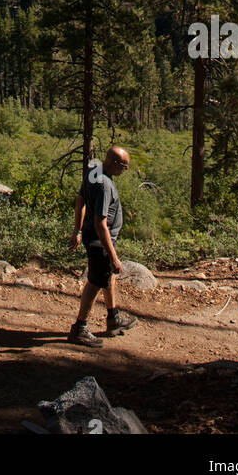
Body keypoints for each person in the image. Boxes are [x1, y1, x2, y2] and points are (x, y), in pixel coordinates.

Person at [68, 144, 137, 346]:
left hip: (92, 235)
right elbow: (101, 222)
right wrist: (113, 256)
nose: (126, 170)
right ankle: (79, 328)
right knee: (95, 282)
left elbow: (81, 199)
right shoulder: (105, 184)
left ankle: (113, 317)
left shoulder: (94, 169)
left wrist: (77, 230)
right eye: (125, 166)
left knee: (107, 277)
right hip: (100, 241)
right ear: (115, 163)